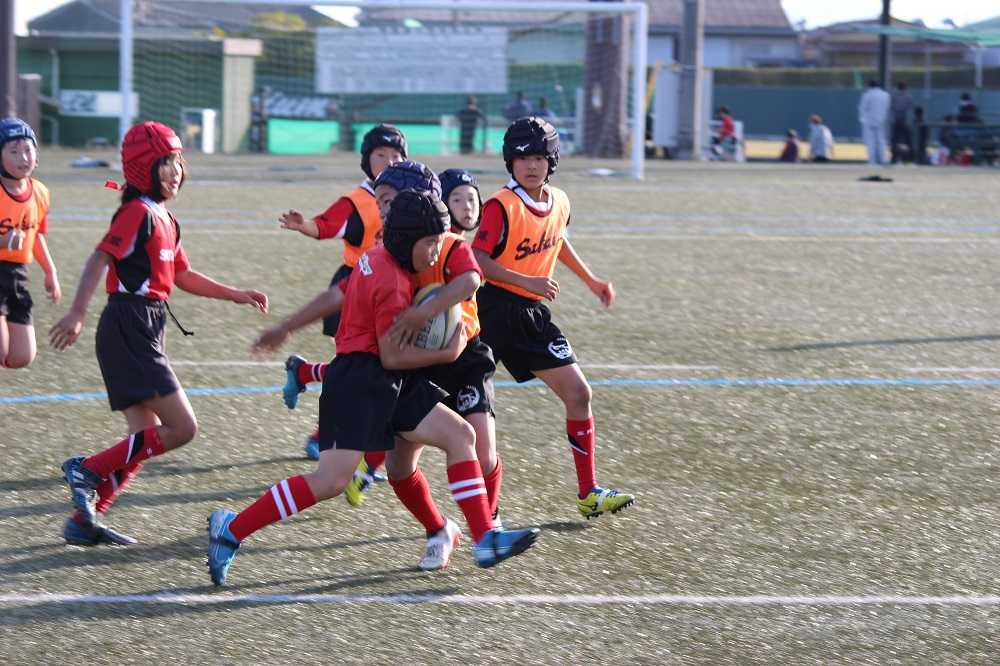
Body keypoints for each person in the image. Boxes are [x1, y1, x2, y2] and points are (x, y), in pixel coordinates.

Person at [207, 190, 540, 586]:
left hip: (388, 379)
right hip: (360, 381)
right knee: (331, 481)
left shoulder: (378, 255)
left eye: (440, 242)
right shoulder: (392, 282)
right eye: (431, 243)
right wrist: (446, 352)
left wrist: (286, 326)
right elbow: (392, 357)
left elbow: (345, 298)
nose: (436, 252)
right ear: (407, 240)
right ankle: (231, 529)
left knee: (459, 436)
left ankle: (485, 538)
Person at [50, 121, 268, 546]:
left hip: (145, 325)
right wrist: (76, 312)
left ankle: (84, 521)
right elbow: (99, 258)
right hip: (128, 325)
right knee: (182, 428)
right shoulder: (137, 212)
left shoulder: (165, 217)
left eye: (179, 162)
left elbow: (183, 275)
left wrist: (236, 294)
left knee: (144, 438)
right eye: (165, 162)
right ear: (142, 168)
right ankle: (87, 470)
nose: (175, 171)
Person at [472, 117, 635, 520]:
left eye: (539, 157)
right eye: (523, 158)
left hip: (530, 316)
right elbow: (477, 260)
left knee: (579, 394)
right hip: (489, 312)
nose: (531, 165)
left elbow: (557, 240)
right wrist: (525, 279)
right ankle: (373, 461)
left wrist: (592, 281)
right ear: (510, 162)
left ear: (552, 161)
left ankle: (588, 492)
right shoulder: (500, 206)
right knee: (457, 412)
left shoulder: (559, 200)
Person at [257, 160, 442, 508]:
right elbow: (340, 296)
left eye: (389, 201)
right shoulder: (383, 256)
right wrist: (286, 326)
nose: (382, 210)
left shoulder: (437, 248)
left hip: (395, 363)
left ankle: (458, 527)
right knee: (348, 464)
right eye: (380, 201)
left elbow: (470, 278)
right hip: (383, 362)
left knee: (448, 437)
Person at [276, 124, 406, 458]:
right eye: (381, 155)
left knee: (370, 370)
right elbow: (325, 226)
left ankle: (303, 372)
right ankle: (324, 437)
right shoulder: (357, 201)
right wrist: (304, 225)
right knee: (357, 370)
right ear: (366, 160)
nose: (389, 162)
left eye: (396, 156)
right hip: (357, 287)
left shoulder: (408, 195)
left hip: (392, 289)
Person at [0, 117, 60, 369]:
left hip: (17, 276)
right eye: (13, 151)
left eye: (28, 149)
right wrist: (2, 240)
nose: (23, 158)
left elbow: (36, 235)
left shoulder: (40, 193)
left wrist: (50, 271)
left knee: (21, 356)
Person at [858, 80, 890, 165]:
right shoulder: (885, 95)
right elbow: (886, 108)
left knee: (870, 141)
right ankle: (883, 159)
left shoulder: (867, 95)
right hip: (881, 120)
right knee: (881, 141)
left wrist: (863, 120)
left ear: (870, 86)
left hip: (869, 121)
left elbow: (862, 108)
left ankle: (872, 160)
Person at [890, 81, 913, 163]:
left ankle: (894, 157)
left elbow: (892, 107)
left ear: (897, 87)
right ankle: (908, 157)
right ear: (905, 88)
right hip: (905, 121)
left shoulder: (894, 96)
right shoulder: (908, 96)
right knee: (907, 140)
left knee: (895, 140)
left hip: (896, 121)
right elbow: (909, 109)